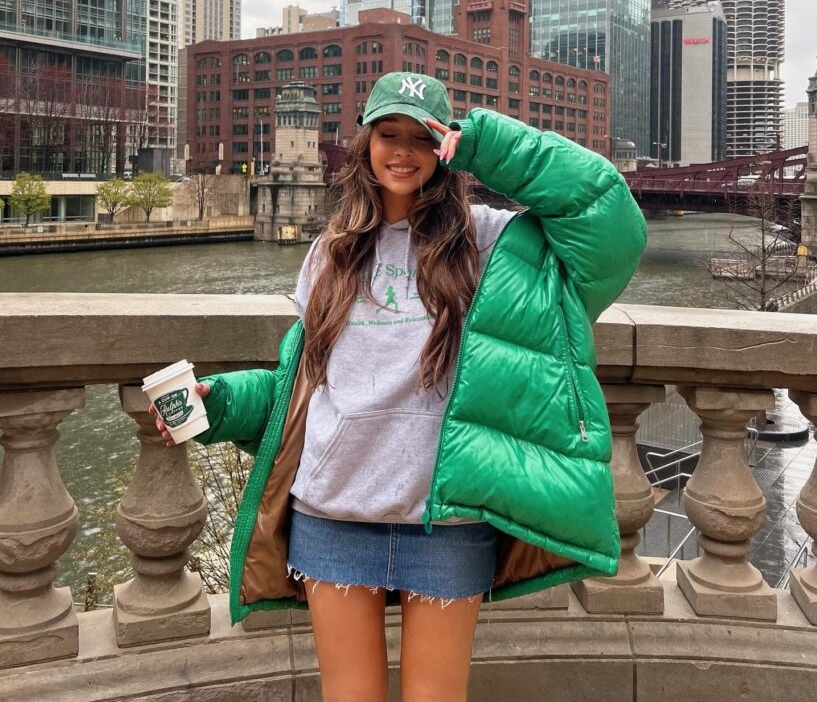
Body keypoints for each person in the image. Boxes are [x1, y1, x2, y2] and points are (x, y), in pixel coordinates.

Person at [152, 72, 646, 702]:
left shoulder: (492, 244)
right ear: (365, 142)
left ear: (445, 150)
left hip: (446, 522)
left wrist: (485, 145)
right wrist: (216, 405)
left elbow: (612, 221)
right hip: (332, 514)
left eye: (422, 137)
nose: (403, 150)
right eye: (389, 133)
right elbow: (304, 387)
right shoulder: (332, 252)